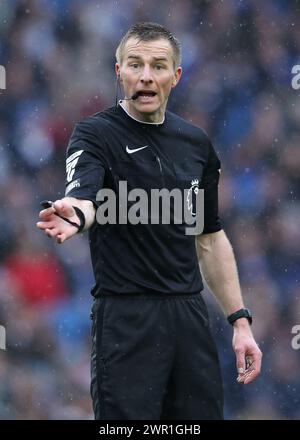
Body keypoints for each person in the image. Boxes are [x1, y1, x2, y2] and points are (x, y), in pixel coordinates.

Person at [37, 22, 262, 420]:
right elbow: (83, 195)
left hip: (189, 319)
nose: (145, 75)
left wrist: (240, 321)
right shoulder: (95, 135)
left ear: (175, 76)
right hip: (126, 321)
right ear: (118, 71)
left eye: (158, 66)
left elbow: (209, 238)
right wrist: (76, 214)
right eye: (134, 64)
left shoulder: (195, 144)